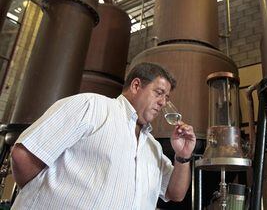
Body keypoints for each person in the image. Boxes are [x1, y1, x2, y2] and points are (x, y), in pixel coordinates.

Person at [10, 62, 196, 209]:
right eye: (159, 93)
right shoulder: (91, 106)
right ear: (136, 85)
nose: (163, 102)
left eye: (167, 98)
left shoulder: (152, 147)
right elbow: (24, 156)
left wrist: (183, 156)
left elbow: (175, 194)